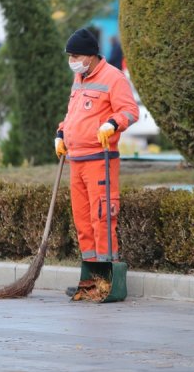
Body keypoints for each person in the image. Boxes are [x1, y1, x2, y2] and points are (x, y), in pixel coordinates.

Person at [55, 28, 139, 267]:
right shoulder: (79, 79)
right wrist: (61, 134)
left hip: (100, 160)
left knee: (102, 218)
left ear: (90, 56)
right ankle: (91, 274)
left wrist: (112, 124)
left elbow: (130, 111)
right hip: (76, 160)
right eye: (70, 56)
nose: (72, 61)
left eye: (75, 56)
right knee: (82, 221)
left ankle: (107, 273)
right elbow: (73, 115)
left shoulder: (114, 78)